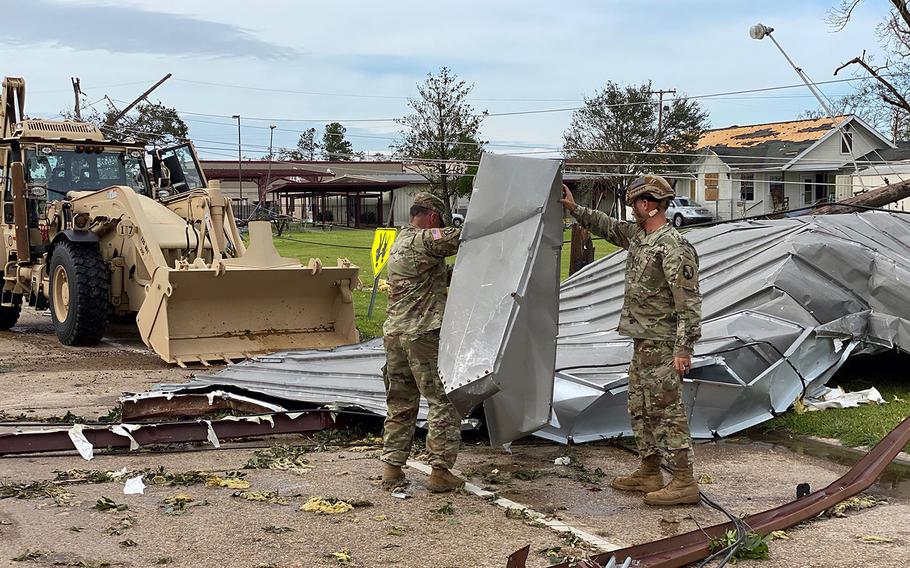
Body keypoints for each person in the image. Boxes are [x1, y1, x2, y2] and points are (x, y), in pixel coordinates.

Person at [560, 176, 702, 506]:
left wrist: (684, 349)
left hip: (664, 346)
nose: (631, 210)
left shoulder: (674, 247)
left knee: (667, 413)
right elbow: (608, 227)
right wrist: (574, 209)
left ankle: (684, 480)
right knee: (640, 408)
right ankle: (650, 470)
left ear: (647, 204)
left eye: (634, 204)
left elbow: (688, 303)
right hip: (643, 344)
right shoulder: (641, 237)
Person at [380, 192, 465, 493]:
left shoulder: (401, 242)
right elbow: (463, 237)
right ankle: (440, 472)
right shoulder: (426, 238)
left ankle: (392, 468)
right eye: (439, 222)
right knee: (443, 400)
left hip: (395, 334)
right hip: (423, 335)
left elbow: (431, 279)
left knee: (400, 403)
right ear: (431, 218)